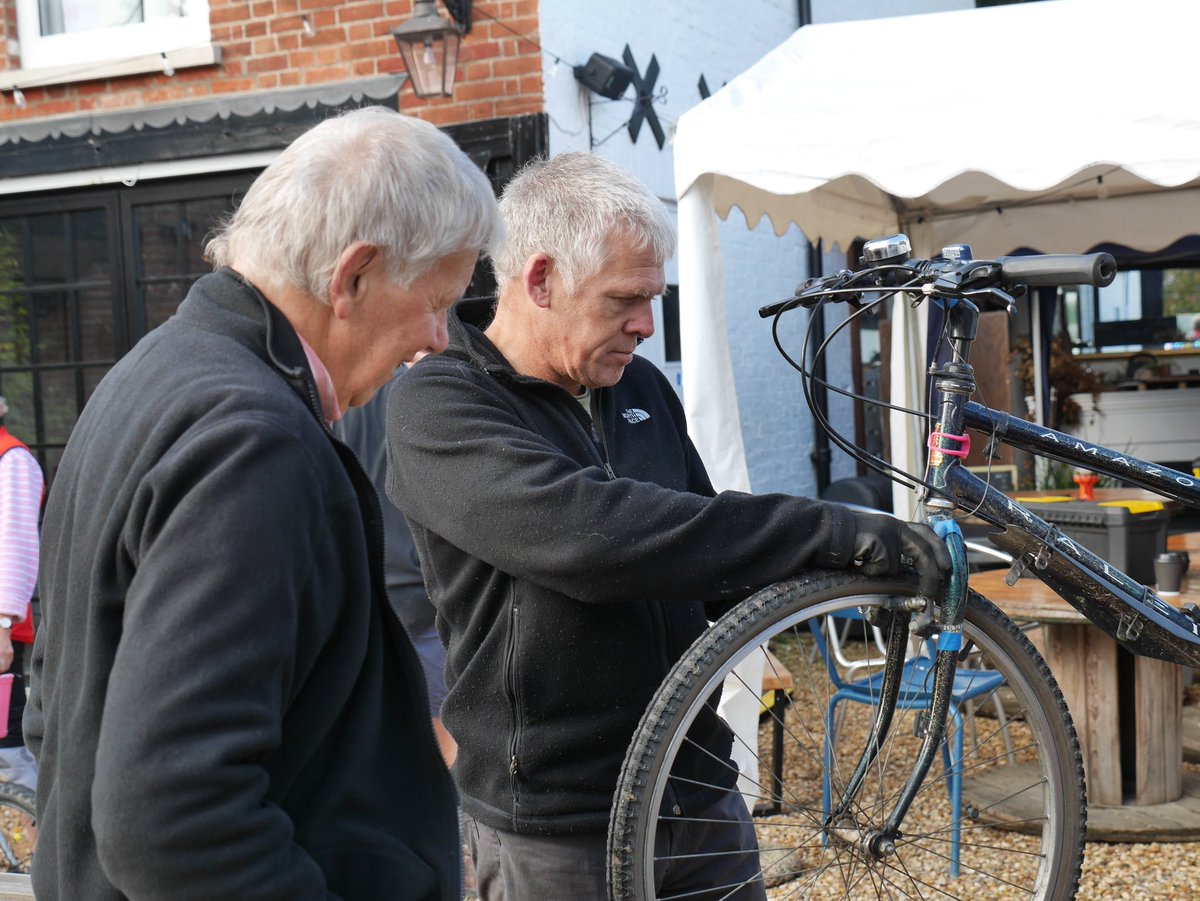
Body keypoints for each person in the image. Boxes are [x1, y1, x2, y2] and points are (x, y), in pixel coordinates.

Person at [384, 152, 950, 901]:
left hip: (697, 786)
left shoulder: (640, 387)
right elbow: (592, 537)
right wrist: (831, 528)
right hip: (558, 821)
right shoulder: (439, 405)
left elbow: (706, 554)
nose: (647, 326)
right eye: (624, 299)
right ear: (541, 279)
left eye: (654, 297)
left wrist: (862, 579)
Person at [25, 106, 501, 900]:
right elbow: (172, 817)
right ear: (352, 276)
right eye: (437, 301)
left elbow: (57, 704)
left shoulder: (150, 374)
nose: (440, 340)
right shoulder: (254, 440)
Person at [331, 365, 454, 763]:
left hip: (364, 592)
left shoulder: (331, 397)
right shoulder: (420, 391)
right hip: (419, 593)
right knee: (444, 737)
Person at [0, 396, 41, 791]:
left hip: (0, 627)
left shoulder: (12, 461)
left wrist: (2, 624)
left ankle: (43, 850)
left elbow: (16, 544)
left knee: (9, 753)